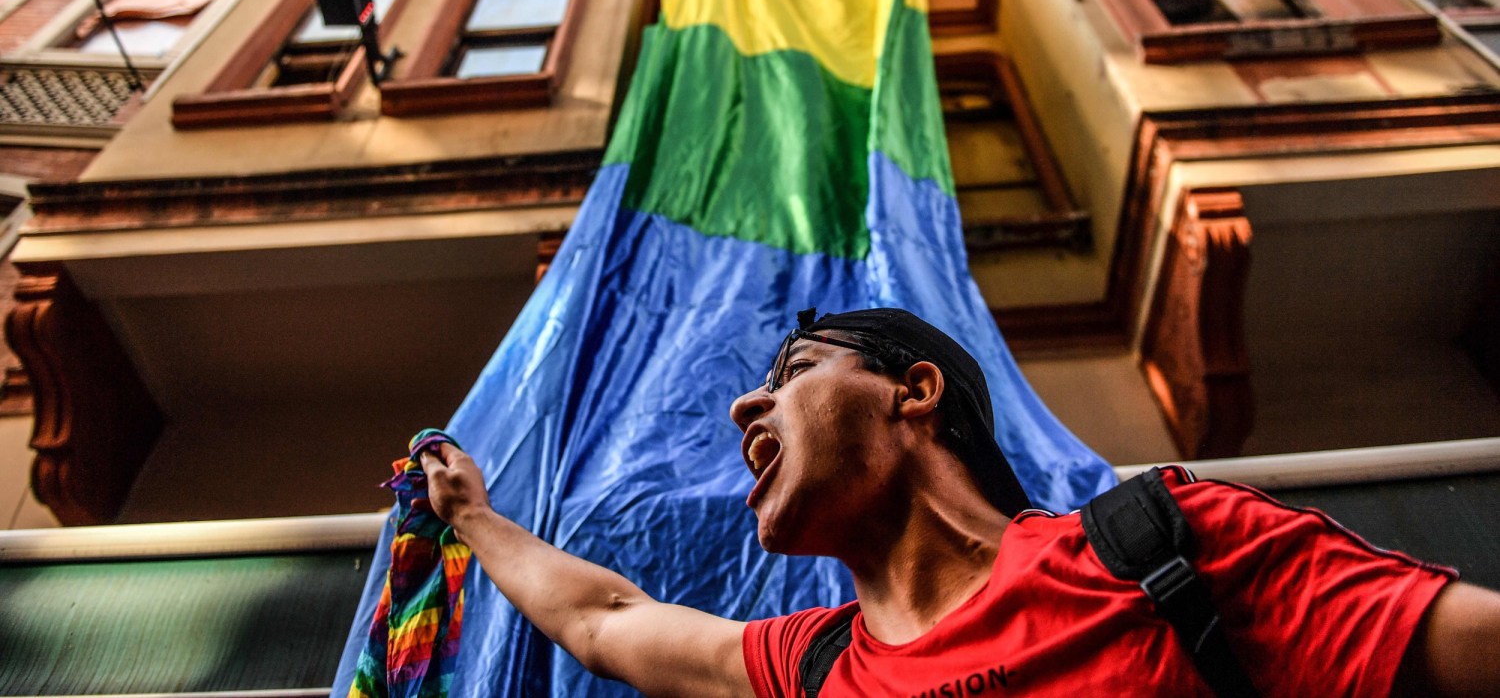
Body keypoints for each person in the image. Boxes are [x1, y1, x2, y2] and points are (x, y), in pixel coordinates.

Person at [420, 307, 1500, 697]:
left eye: (794, 367)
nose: (751, 401)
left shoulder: (1166, 550)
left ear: (915, 390)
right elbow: (603, 621)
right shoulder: (809, 668)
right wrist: (471, 512)